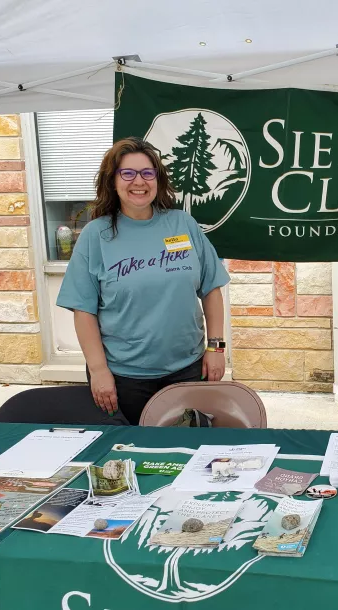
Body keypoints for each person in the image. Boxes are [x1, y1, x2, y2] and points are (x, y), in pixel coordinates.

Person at [56, 137, 229, 425]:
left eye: (148, 173)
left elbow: (211, 288)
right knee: (133, 455)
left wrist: (216, 348)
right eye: (128, 173)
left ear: (158, 180)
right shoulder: (95, 236)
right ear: (113, 181)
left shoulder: (182, 224)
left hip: (187, 369)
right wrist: (98, 371)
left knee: (188, 450)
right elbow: (83, 310)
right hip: (125, 378)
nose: (139, 181)